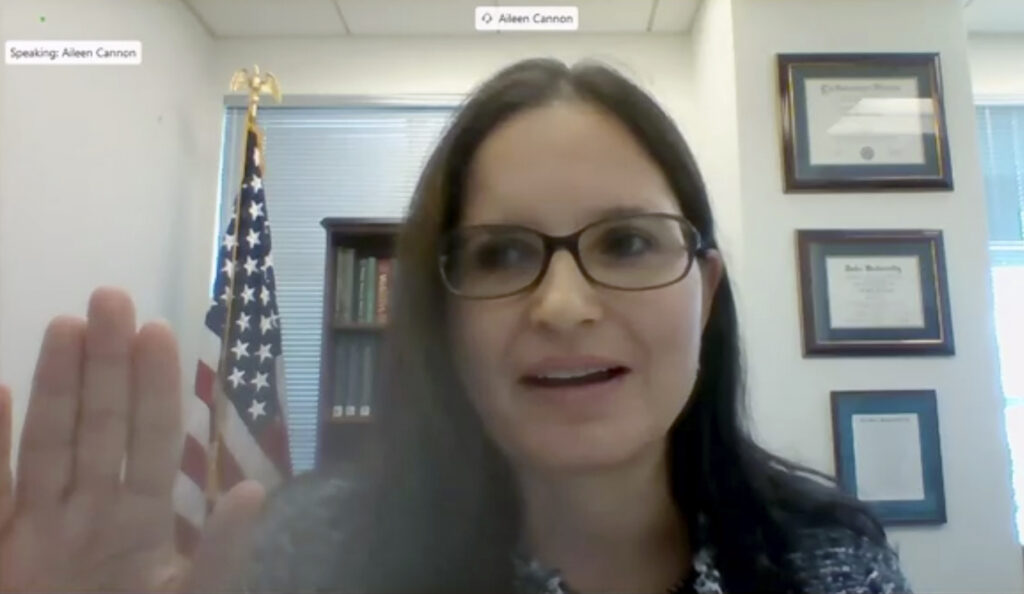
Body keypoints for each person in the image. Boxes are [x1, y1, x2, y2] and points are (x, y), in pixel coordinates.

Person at [0, 58, 911, 594]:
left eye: (629, 242)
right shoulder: (313, 564)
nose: (563, 305)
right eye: (501, 255)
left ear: (704, 294)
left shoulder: (831, 563)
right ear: (440, 316)